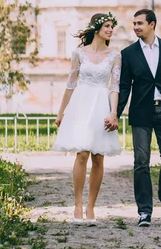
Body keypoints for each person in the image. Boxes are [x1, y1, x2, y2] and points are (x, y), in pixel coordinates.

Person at [116, 9, 161, 227]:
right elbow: (124, 86)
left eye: (139, 23)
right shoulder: (128, 53)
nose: (136, 27)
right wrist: (115, 114)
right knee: (141, 162)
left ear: (152, 24)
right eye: (134, 23)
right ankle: (144, 211)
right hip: (140, 112)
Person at [52, 12, 121, 225]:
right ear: (97, 28)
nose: (110, 30)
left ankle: (91, 207)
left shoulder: (115, 55)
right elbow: (71, 84)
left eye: (112, 26)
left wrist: (113, 112)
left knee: (98, 157)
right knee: (81, 154)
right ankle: (78, 204)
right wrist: (61, 112)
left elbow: (115, 87)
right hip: (81, 104)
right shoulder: (79, 53)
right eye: (107, 26)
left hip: (101, 103)